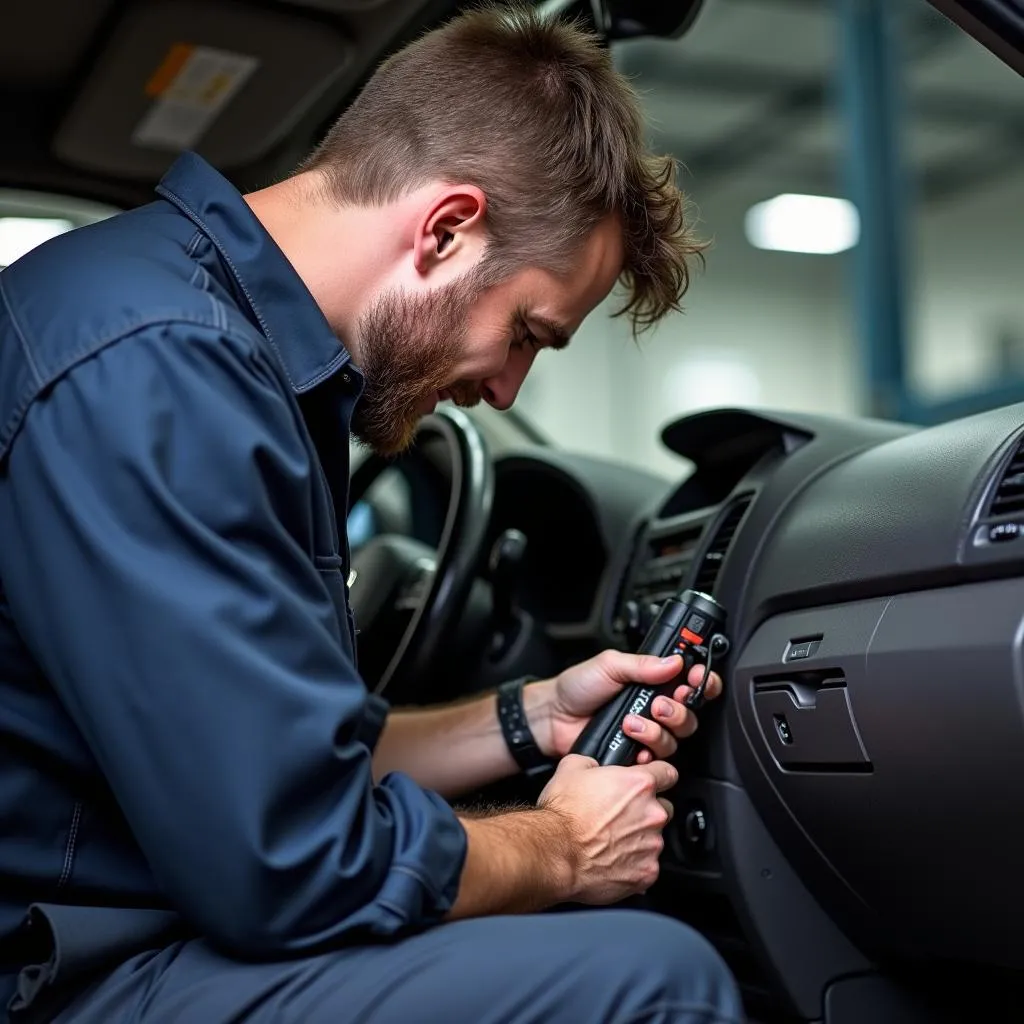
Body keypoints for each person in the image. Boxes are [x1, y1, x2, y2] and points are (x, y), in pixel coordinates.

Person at [0, 4, 744, 1023]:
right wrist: (564, 846)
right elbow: (291, 864)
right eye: (526, 332)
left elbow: (285, 757)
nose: (507, 392)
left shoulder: (221, 351)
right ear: (445, 229)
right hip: (63, 972)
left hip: (120, 914)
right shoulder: (163, 371)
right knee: (656, 975)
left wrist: (531, 719)